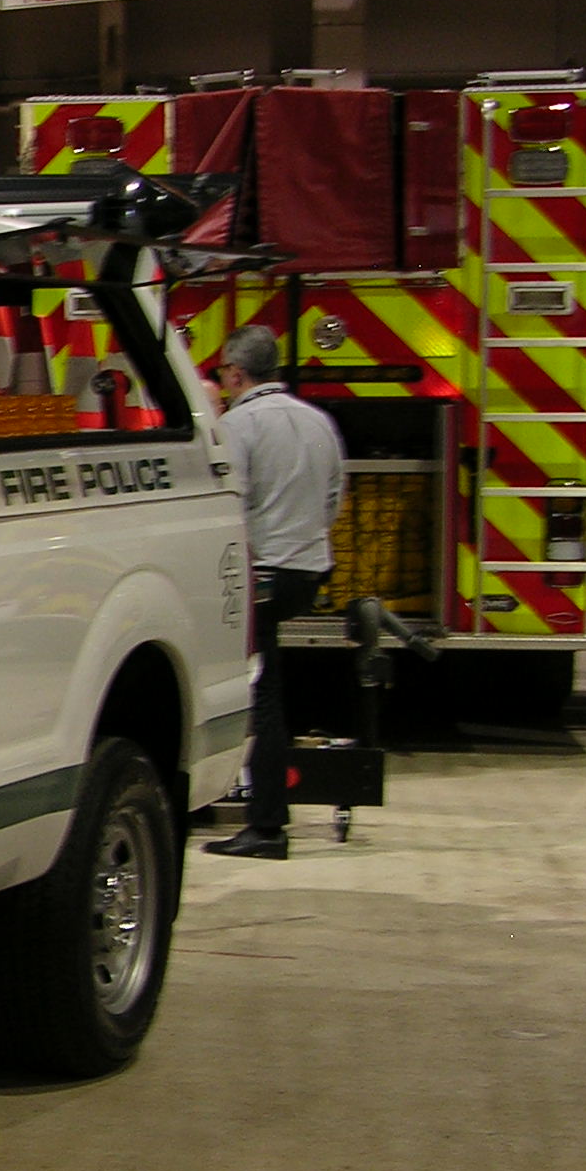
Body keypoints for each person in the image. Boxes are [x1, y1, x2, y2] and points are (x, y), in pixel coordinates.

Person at [206, 322, 345, 860]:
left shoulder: (238, 426)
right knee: (271, 687)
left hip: (261, 575)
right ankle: (263, 813)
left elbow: (228, 505)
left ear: (236, 373)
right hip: (307, 572)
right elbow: (334, 496)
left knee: (259, 698)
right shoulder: (319, 422)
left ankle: (265, 827)